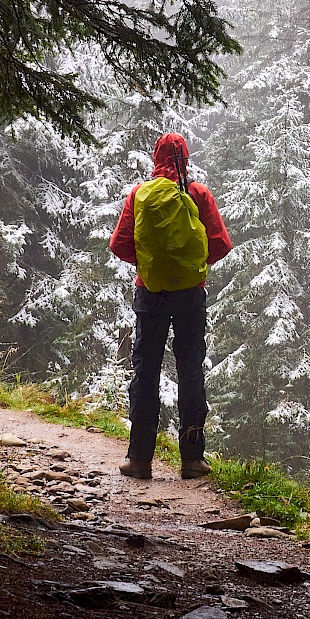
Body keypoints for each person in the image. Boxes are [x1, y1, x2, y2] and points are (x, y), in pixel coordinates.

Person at [108, 132, 232, 479]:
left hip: (150, 293)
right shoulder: (199, 194)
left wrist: (150, 264)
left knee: (145, 372)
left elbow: (119, 244)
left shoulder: (140, 195)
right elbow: (220, 244)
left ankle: (139, 458)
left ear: (155, 158)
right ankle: (192, 459)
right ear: (186, 159)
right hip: (191, 294)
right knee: (190, 371)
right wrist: (192, 267)